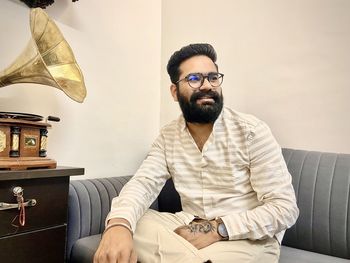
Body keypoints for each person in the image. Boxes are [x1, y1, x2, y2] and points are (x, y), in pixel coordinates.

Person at [94, 43, 299, 263]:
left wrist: (218, 228)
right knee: (135, 222)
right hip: (189, 226)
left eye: (213, 77)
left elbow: (284, 208)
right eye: (194, 79)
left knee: (140, 239)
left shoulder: (251, 131)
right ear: (175, 92)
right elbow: (143, 184)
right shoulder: (168, 136)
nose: (207, 86)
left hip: (246, 237)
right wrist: (118, 224)